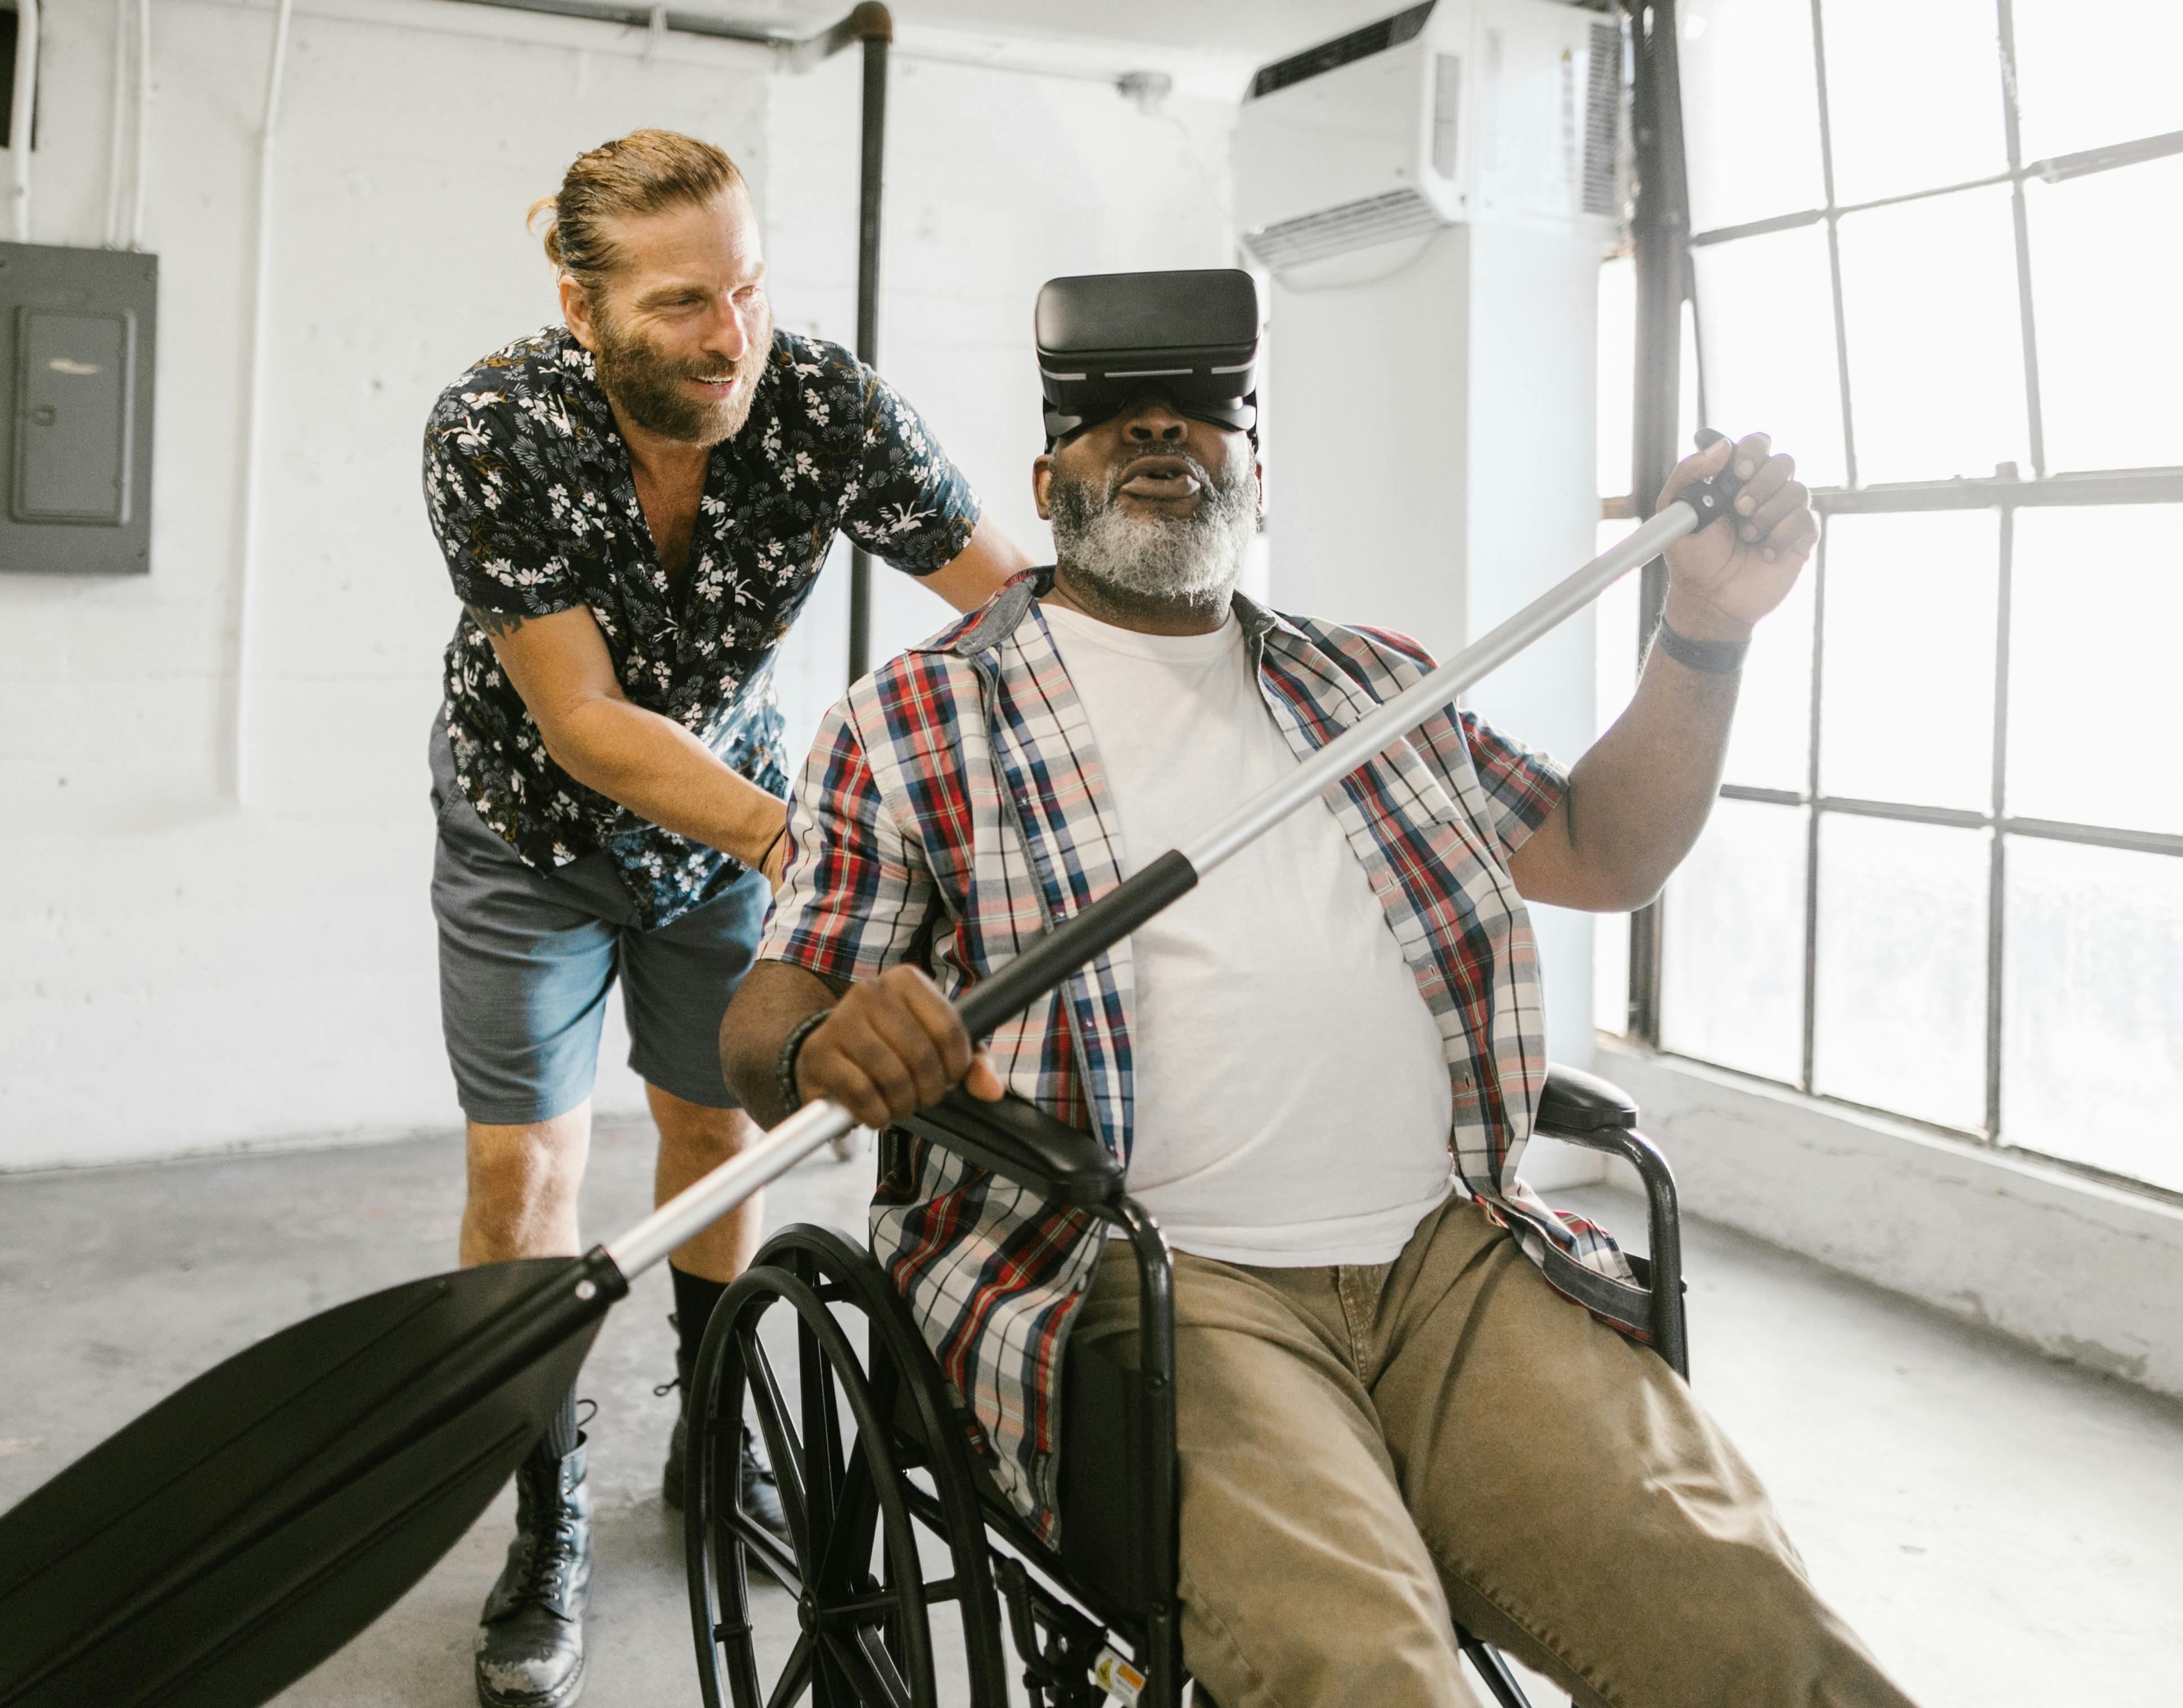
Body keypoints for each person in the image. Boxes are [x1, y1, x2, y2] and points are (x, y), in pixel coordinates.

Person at [719, 271, 1921, 1706]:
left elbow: (1604, 849)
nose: (1161, 435)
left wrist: (1706, 625)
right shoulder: (916, 713)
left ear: (1254, 477)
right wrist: (825, 1044)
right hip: (1150, 1285)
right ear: (1048, 481)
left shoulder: (1375, 686)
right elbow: (765, 1017)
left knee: (1766, 1646)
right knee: (1365, 1673)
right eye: (1110, 421)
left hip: (1445, 1264)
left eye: (1204, 416)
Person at [419, 130, 1029, 1708]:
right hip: (533, 831)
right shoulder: (493, 429)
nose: (730, 335)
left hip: (718, 842)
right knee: (526, 1171)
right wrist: (812, 836)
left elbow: (1005, 603)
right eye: (686, 302)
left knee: (714, 1129)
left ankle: (710, 1434)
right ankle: (543, 1515)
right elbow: (582, 718)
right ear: (581, 303)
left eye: (748, 288)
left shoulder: (821, 405)